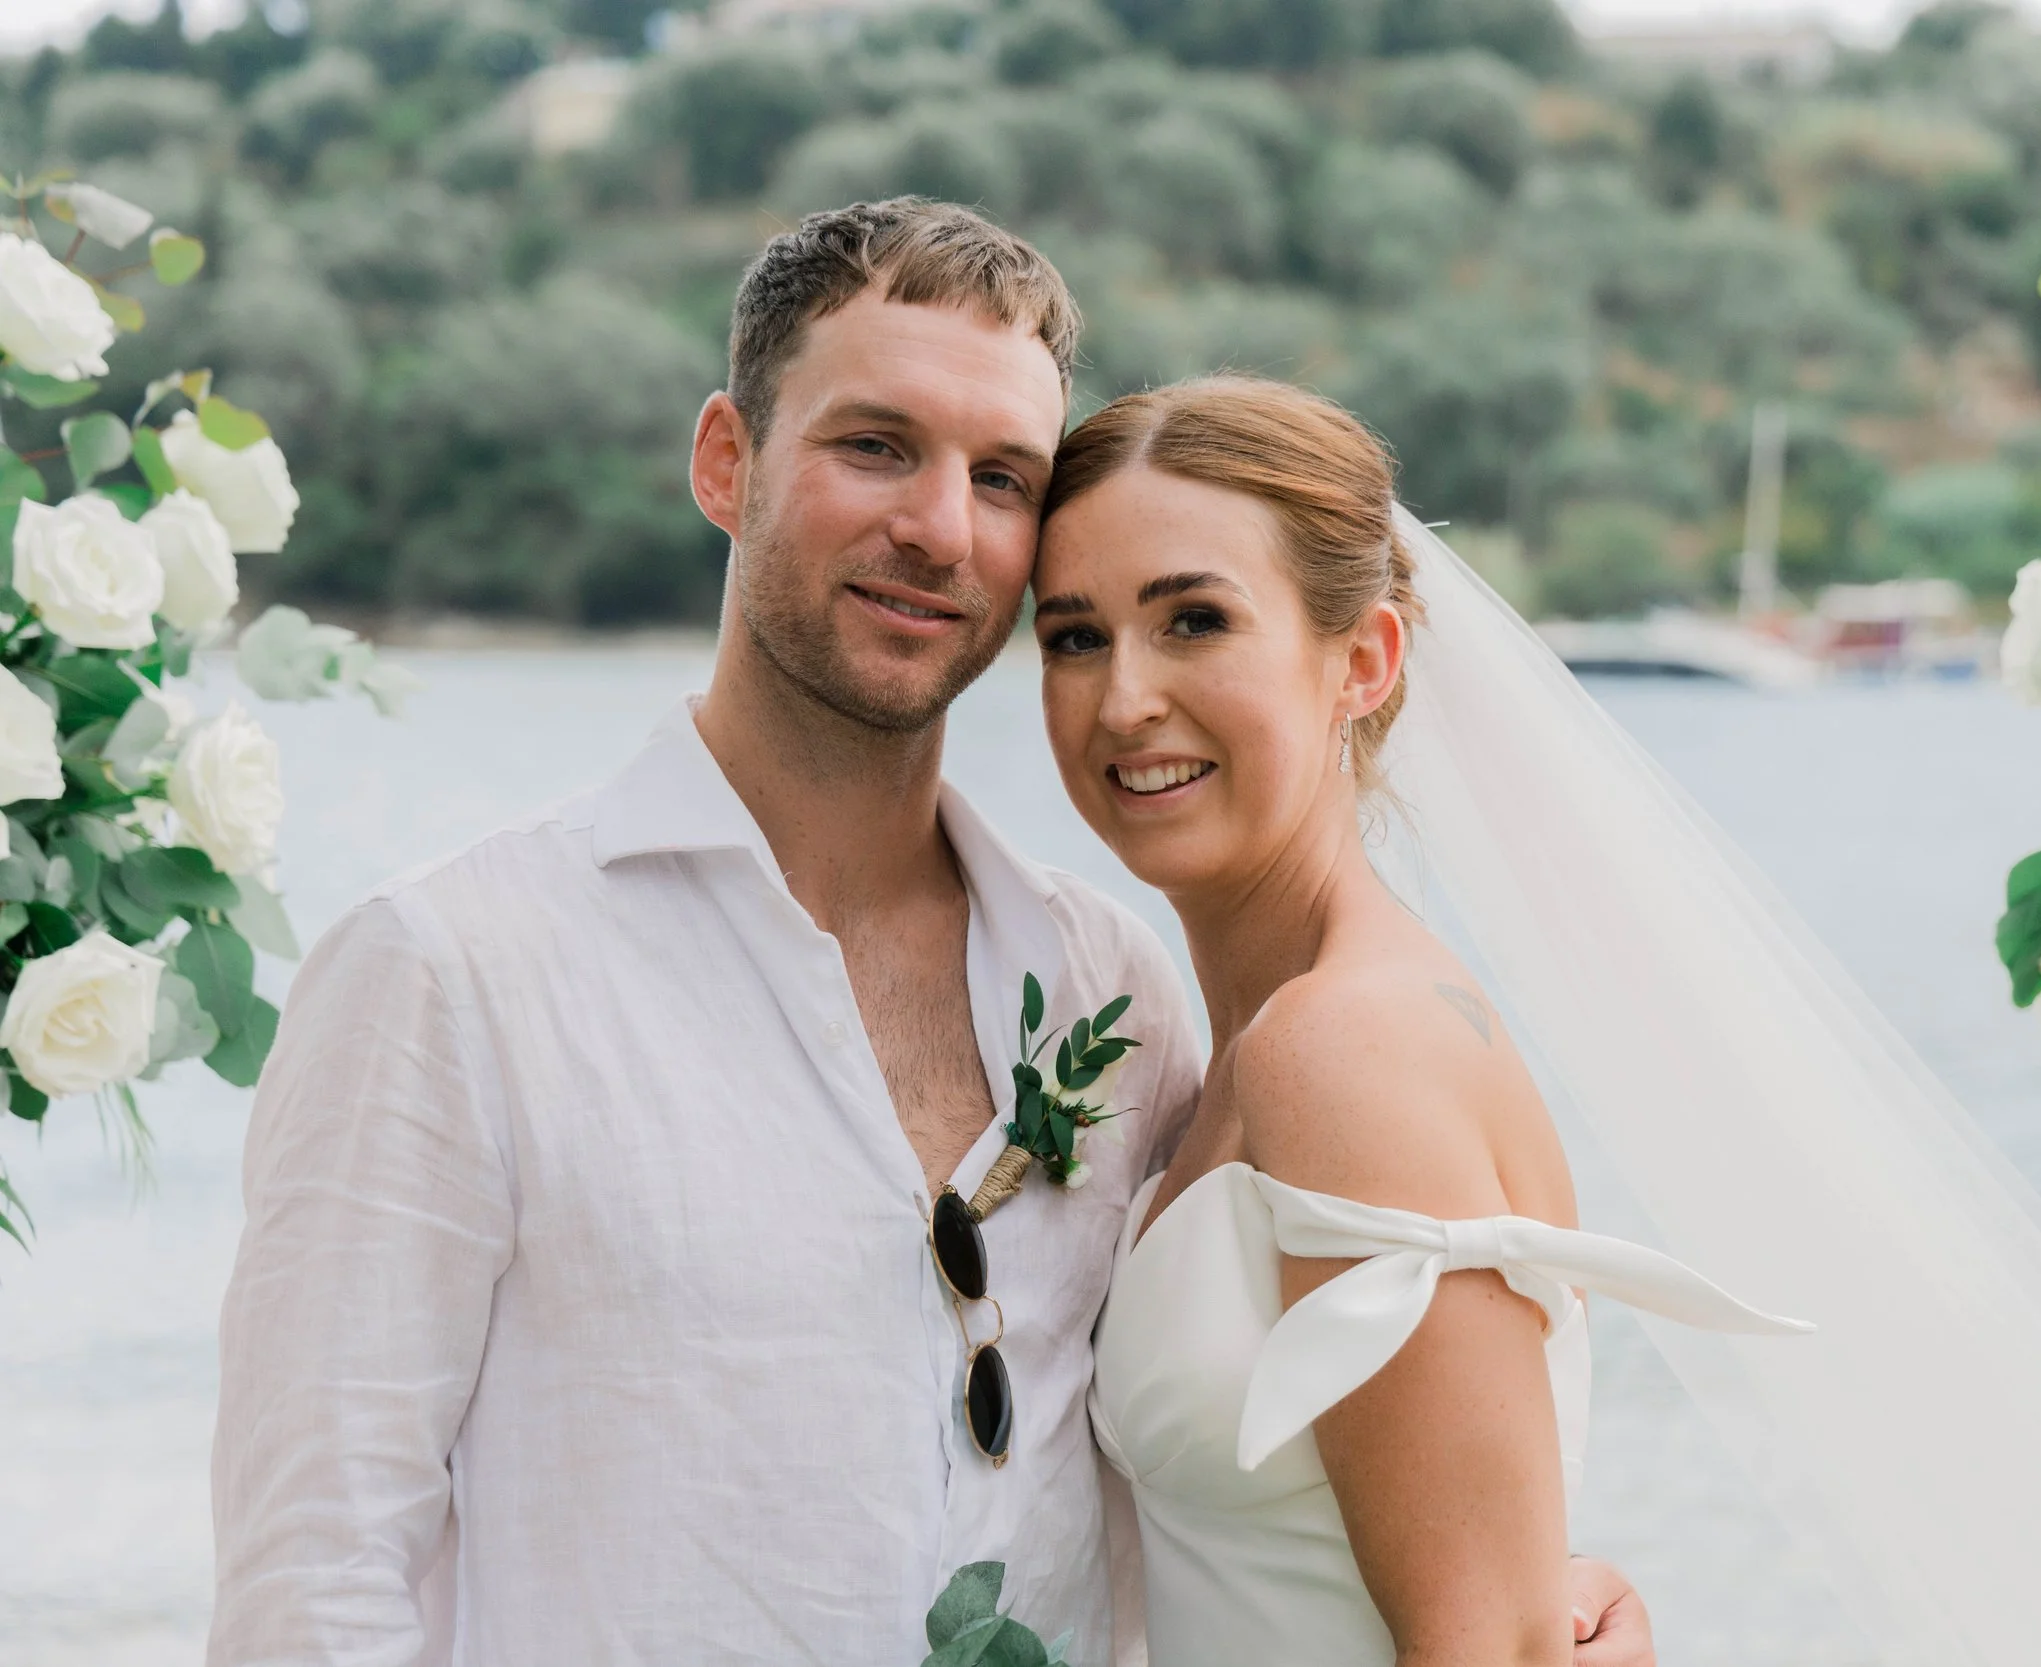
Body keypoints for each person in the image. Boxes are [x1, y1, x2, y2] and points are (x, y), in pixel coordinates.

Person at [206, 199, 1652, 1665]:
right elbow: (312, 1593)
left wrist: (1527, 1587)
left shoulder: (1118, 996)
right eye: (875, 444)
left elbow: (1275, 1468)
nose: (939, 526)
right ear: (728, 460)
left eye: (1004, 477)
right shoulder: (450, 976)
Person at [1032, 376, 2041, 1667]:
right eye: (1074, 635)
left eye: (1195, 618)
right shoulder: (1237, 1054)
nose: (1123, 697)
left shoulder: (1345, 1048)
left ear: (1367, 660)